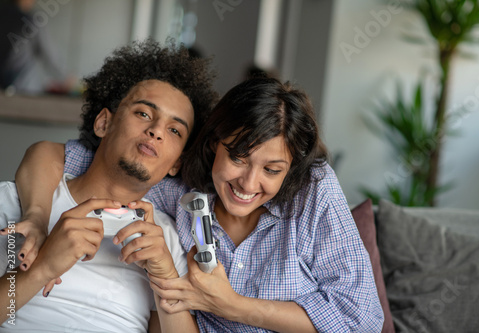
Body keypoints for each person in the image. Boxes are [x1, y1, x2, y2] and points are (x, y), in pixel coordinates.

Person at [10, 78, 384, 332]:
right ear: (212, 146)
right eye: (238, 158)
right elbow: (63, 159)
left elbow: (362, 317)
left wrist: (230, 304)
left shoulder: (311, 190)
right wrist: (37, 218)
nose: (249, 184)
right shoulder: (174, 191)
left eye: (272, 169)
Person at [0, 38, 218, 332]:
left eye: (174, 130)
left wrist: (165, 278)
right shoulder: (15, 206)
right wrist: (41, 269)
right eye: (143, 113)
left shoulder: (166, 240)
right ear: (103, 123)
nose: (155, 131)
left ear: (176, 164)